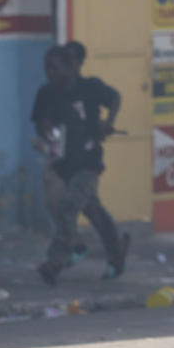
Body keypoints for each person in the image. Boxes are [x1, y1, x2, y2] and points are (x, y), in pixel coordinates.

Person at [31, 45, 129, 285]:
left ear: (70, 67)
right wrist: (44, 134)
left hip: (87, 163)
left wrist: (108, 122)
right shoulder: (46, 93)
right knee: (92, 210)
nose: (50, 73)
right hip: (61, 165)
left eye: (55, 68)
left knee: (70, 205)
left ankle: (55, 262)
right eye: (47, 68)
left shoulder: (90, 88)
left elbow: (115, 97)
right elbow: (41, 122)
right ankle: (115, 252)